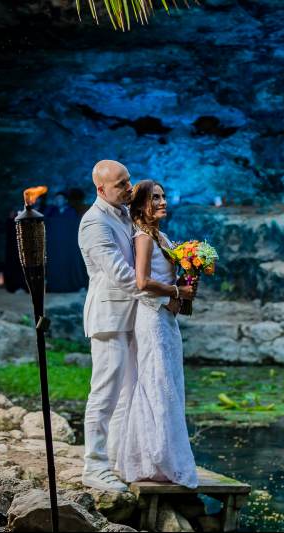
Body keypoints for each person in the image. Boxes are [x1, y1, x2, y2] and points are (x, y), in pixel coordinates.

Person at [78, 160, 194, 492]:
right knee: (105, 390)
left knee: (129, 392)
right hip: (110, 317)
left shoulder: (126, 216)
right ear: (101, 190)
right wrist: (168, 295)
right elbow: (123, 274)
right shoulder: (93, 223)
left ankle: (118, 458)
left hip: (138, 316)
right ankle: (94, 464)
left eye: (129, 181)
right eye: (121, 185)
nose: (129, 189)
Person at [116, 180, 198, 487]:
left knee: (169, 383)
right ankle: (155, 460)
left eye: (163, 196)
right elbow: (141, 282)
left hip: (166, 317)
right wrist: (178, 289)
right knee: (155, 383)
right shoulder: (143, 238)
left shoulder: (160, 235)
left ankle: (161, 456)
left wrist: (191, 272)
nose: (163, 202)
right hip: (151, 318)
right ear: (140, 206)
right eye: (156, 198)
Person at [44, 191, 89, 292]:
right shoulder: (52, 211)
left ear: (65, 200)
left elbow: (73, 226)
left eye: (60, 198)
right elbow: (45, 219)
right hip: (55, 245)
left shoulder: (71, 211)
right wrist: (50, 207)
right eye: (56, 199)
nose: (58, 200)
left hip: (67, 245)